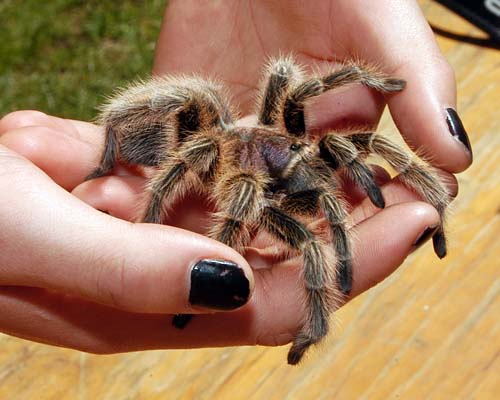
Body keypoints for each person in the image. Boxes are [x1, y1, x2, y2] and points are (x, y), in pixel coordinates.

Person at [0, 0, 470, 353]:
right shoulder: (234, 173)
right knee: (202, 105)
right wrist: (167, 221)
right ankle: (312, 321)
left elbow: (293, 74)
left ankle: (319, 318)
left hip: (249, 151)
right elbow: (237, 185)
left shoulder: (301, 144)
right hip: (201, 151)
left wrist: (374, 80)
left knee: (311, 104)